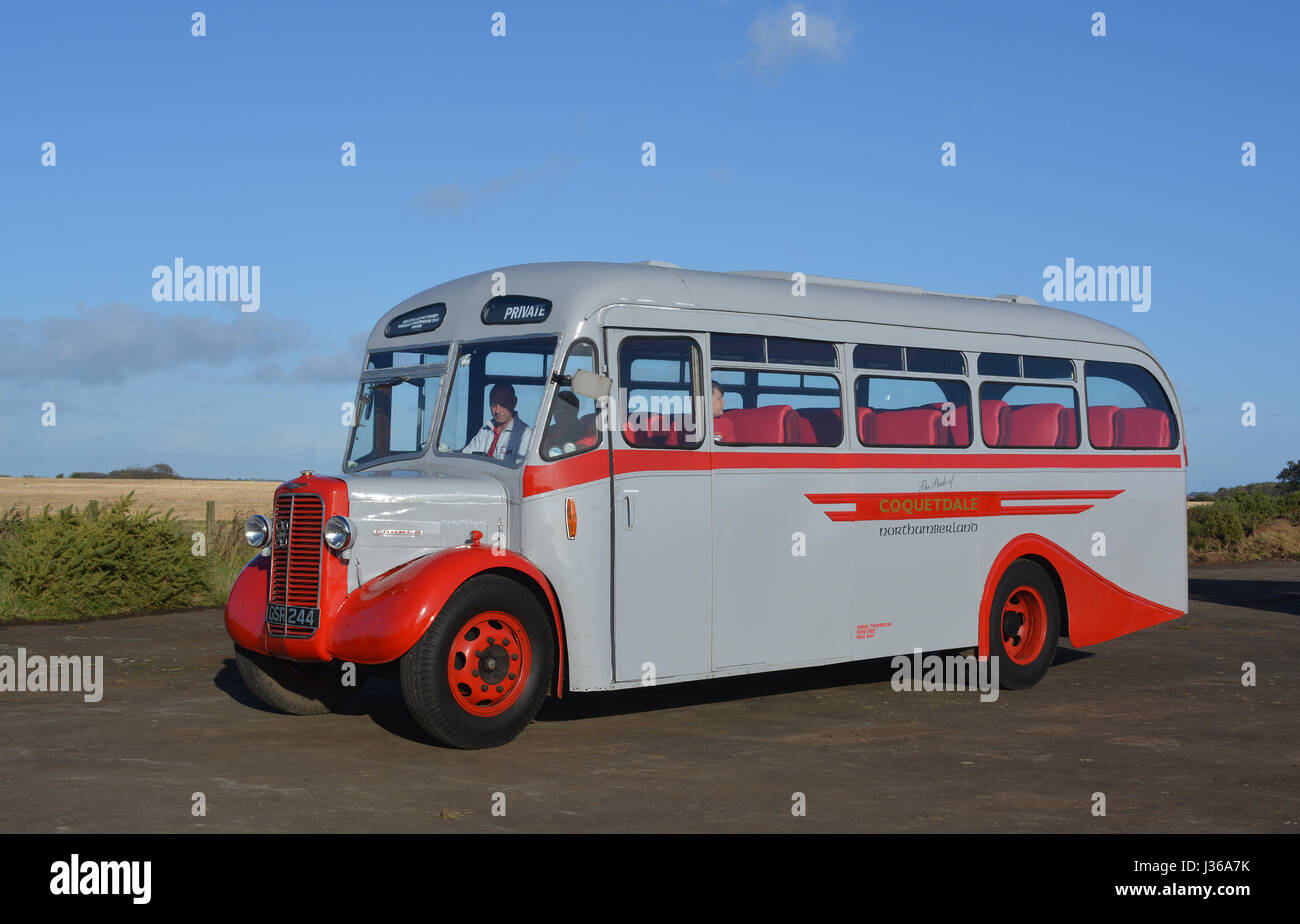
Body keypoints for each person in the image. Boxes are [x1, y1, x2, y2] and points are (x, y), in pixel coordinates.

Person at [463, 382, 531, 463]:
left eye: (502, 404)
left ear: (514, 402)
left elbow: (520, 470)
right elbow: (465, 458)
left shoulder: (525, 434)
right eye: (493, 405)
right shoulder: (485, 431)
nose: (497, 410)